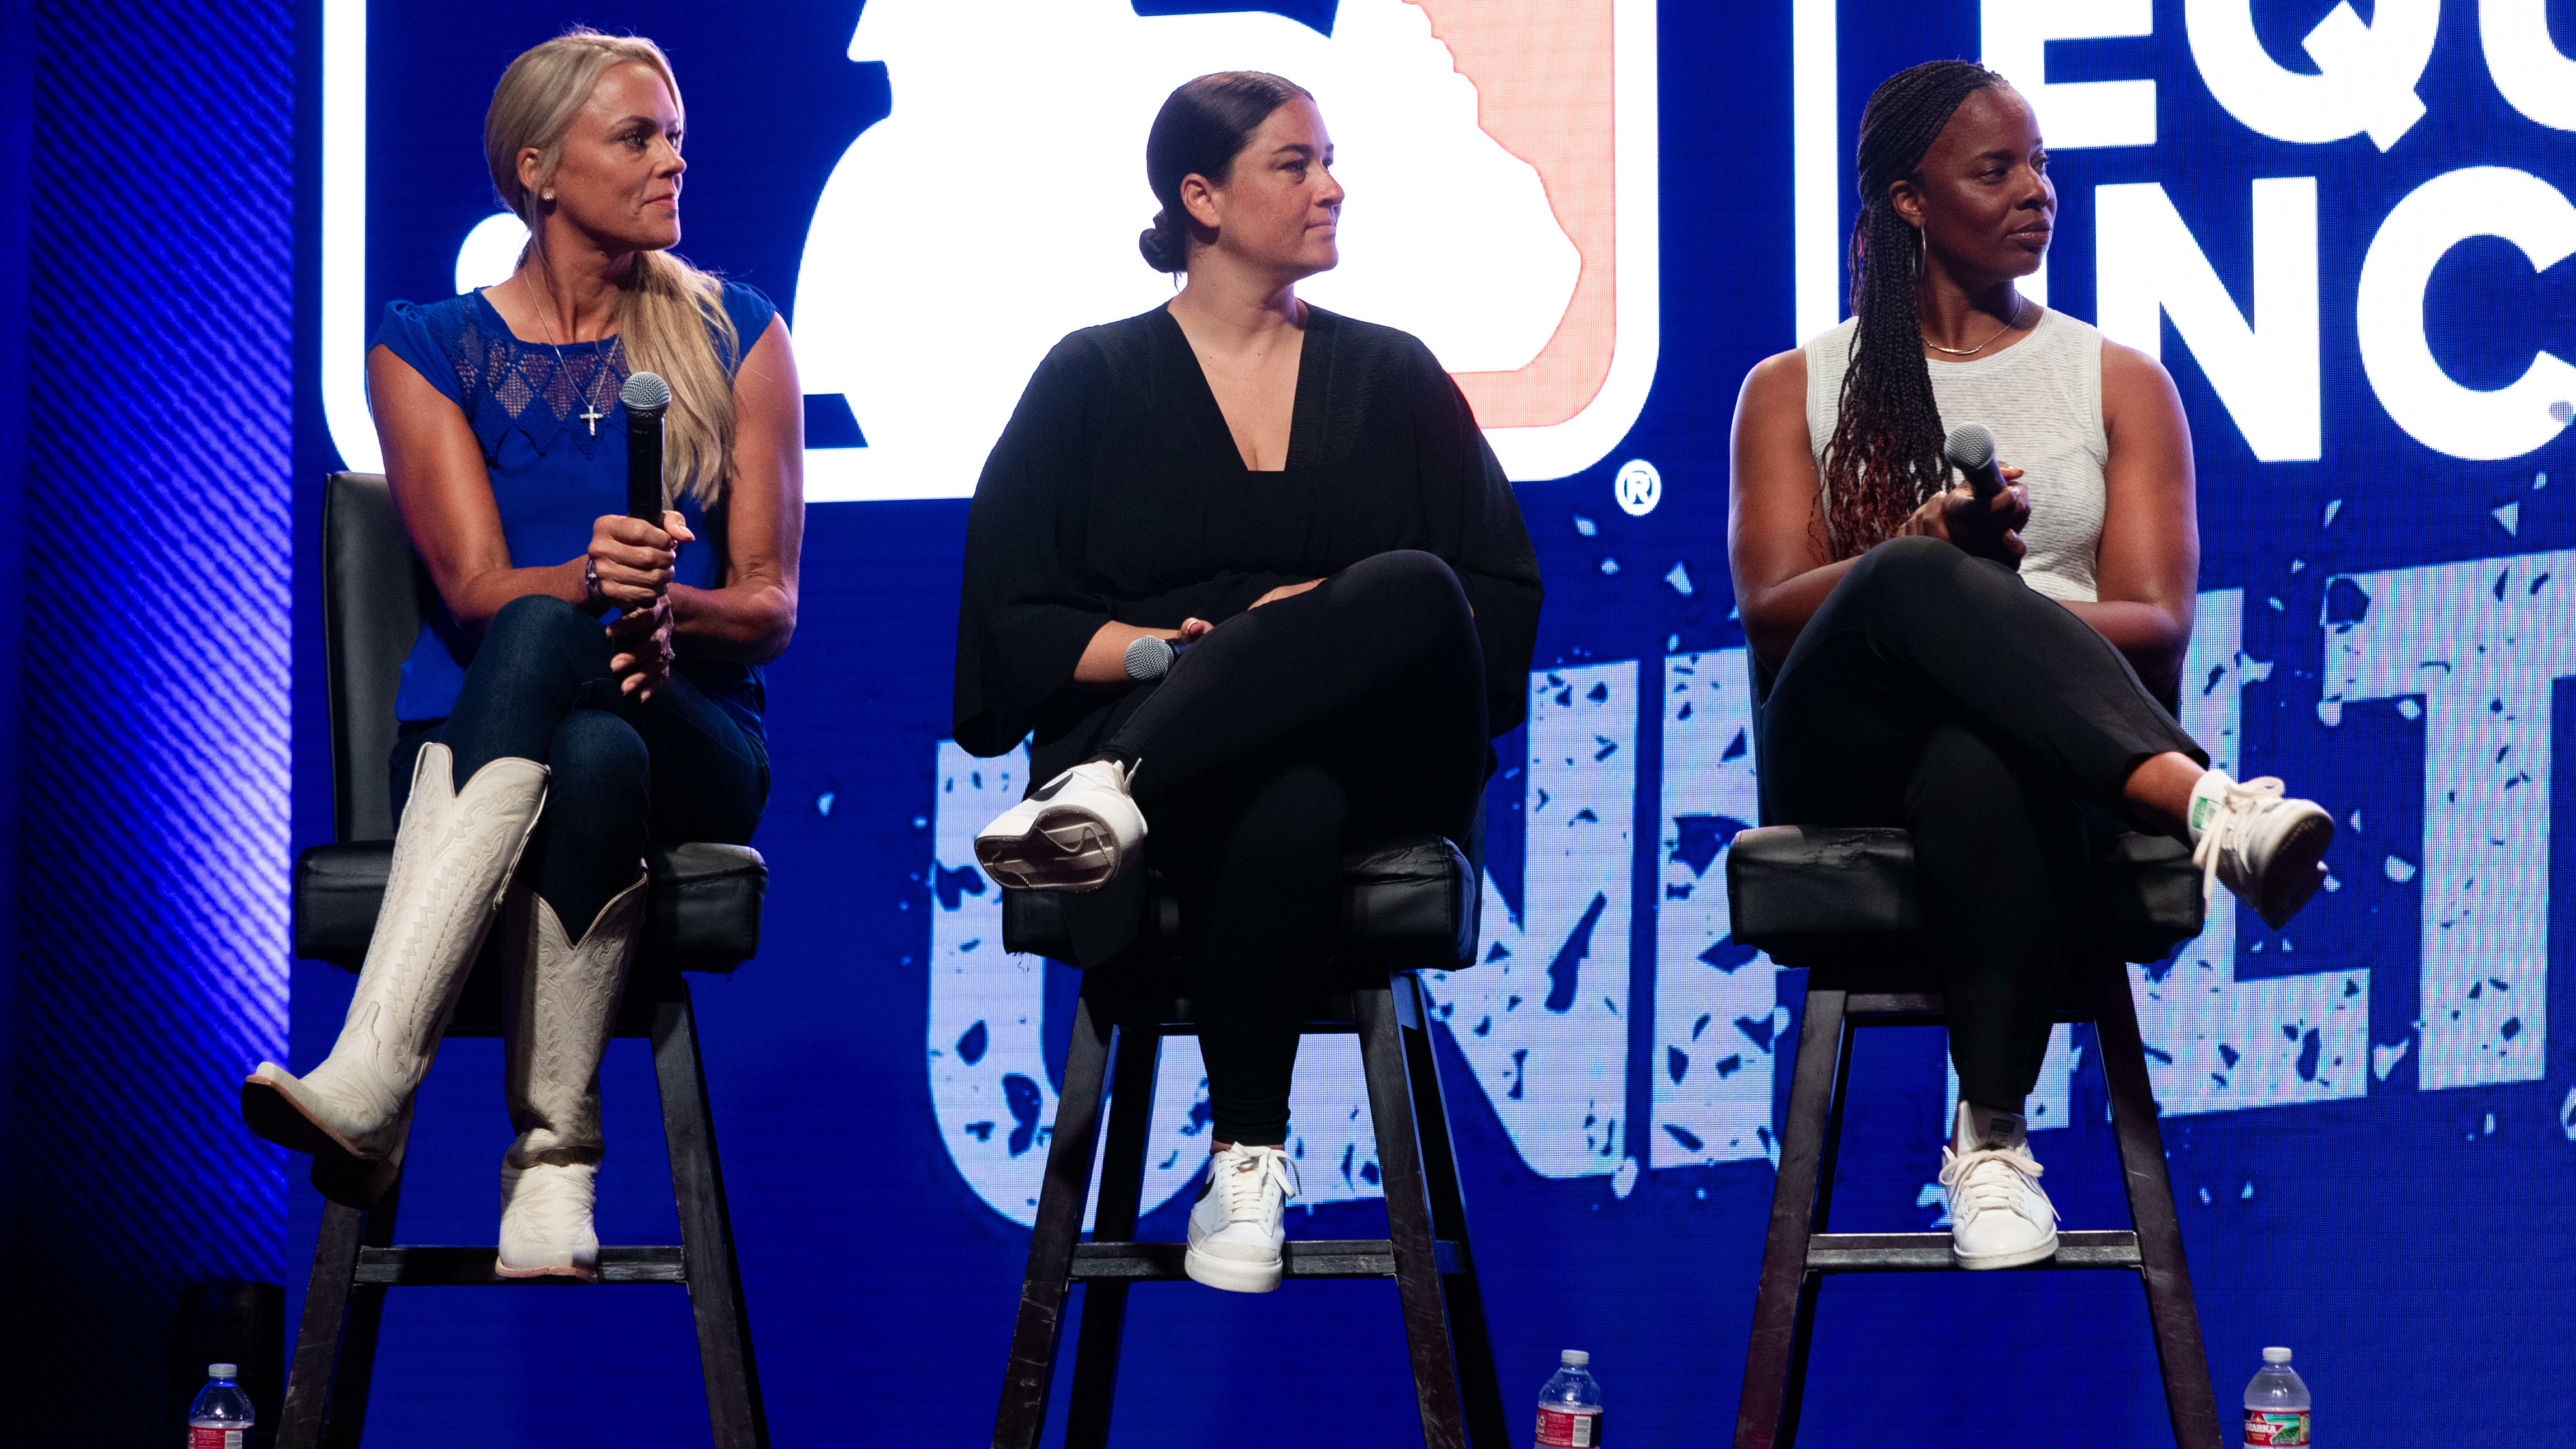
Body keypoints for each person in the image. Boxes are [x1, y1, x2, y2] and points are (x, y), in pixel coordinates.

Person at [1728, 60, 2333, 1271]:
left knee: (1980, 746)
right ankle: (2202, 802)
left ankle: (1991, 1142)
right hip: (1839, 746)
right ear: (1909, 199)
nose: (2036, 192)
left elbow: (2156, 620)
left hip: (2035, 754)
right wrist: (1927, 559)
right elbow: (1773, 615)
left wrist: (1981, 627)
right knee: (1908, 578)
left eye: (2042, 164)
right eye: (1994, 169)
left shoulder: (2117, 381)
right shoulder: (1791, 385)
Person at [955, 72, 1541, 1293]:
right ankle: (1247, 1161)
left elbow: (1492, 605)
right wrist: (1191, 652)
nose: (1331, 188)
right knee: (1282, 790)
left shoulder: (1394, 373)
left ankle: (1120, 788)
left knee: (1409, 588)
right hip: (1201, 751)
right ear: (1201, 197)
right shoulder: (1092, 378)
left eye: (1331, 161)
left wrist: (1316, 630)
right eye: (1296, 163)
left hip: (1387, 749)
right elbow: (1008, 623)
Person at [241, 29, 803, 1281]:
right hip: (519, 725)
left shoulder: (738, 334)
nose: (672, 163)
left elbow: (768, 604)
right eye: (637, 137)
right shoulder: (428, 344)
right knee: (581, 729)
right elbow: (483, 591)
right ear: (538, 168)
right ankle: (555, 1156)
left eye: (678, 140)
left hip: (695, 730)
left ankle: (378, 1064)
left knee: (606, 703)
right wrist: (595, 581)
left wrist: (674, 614)